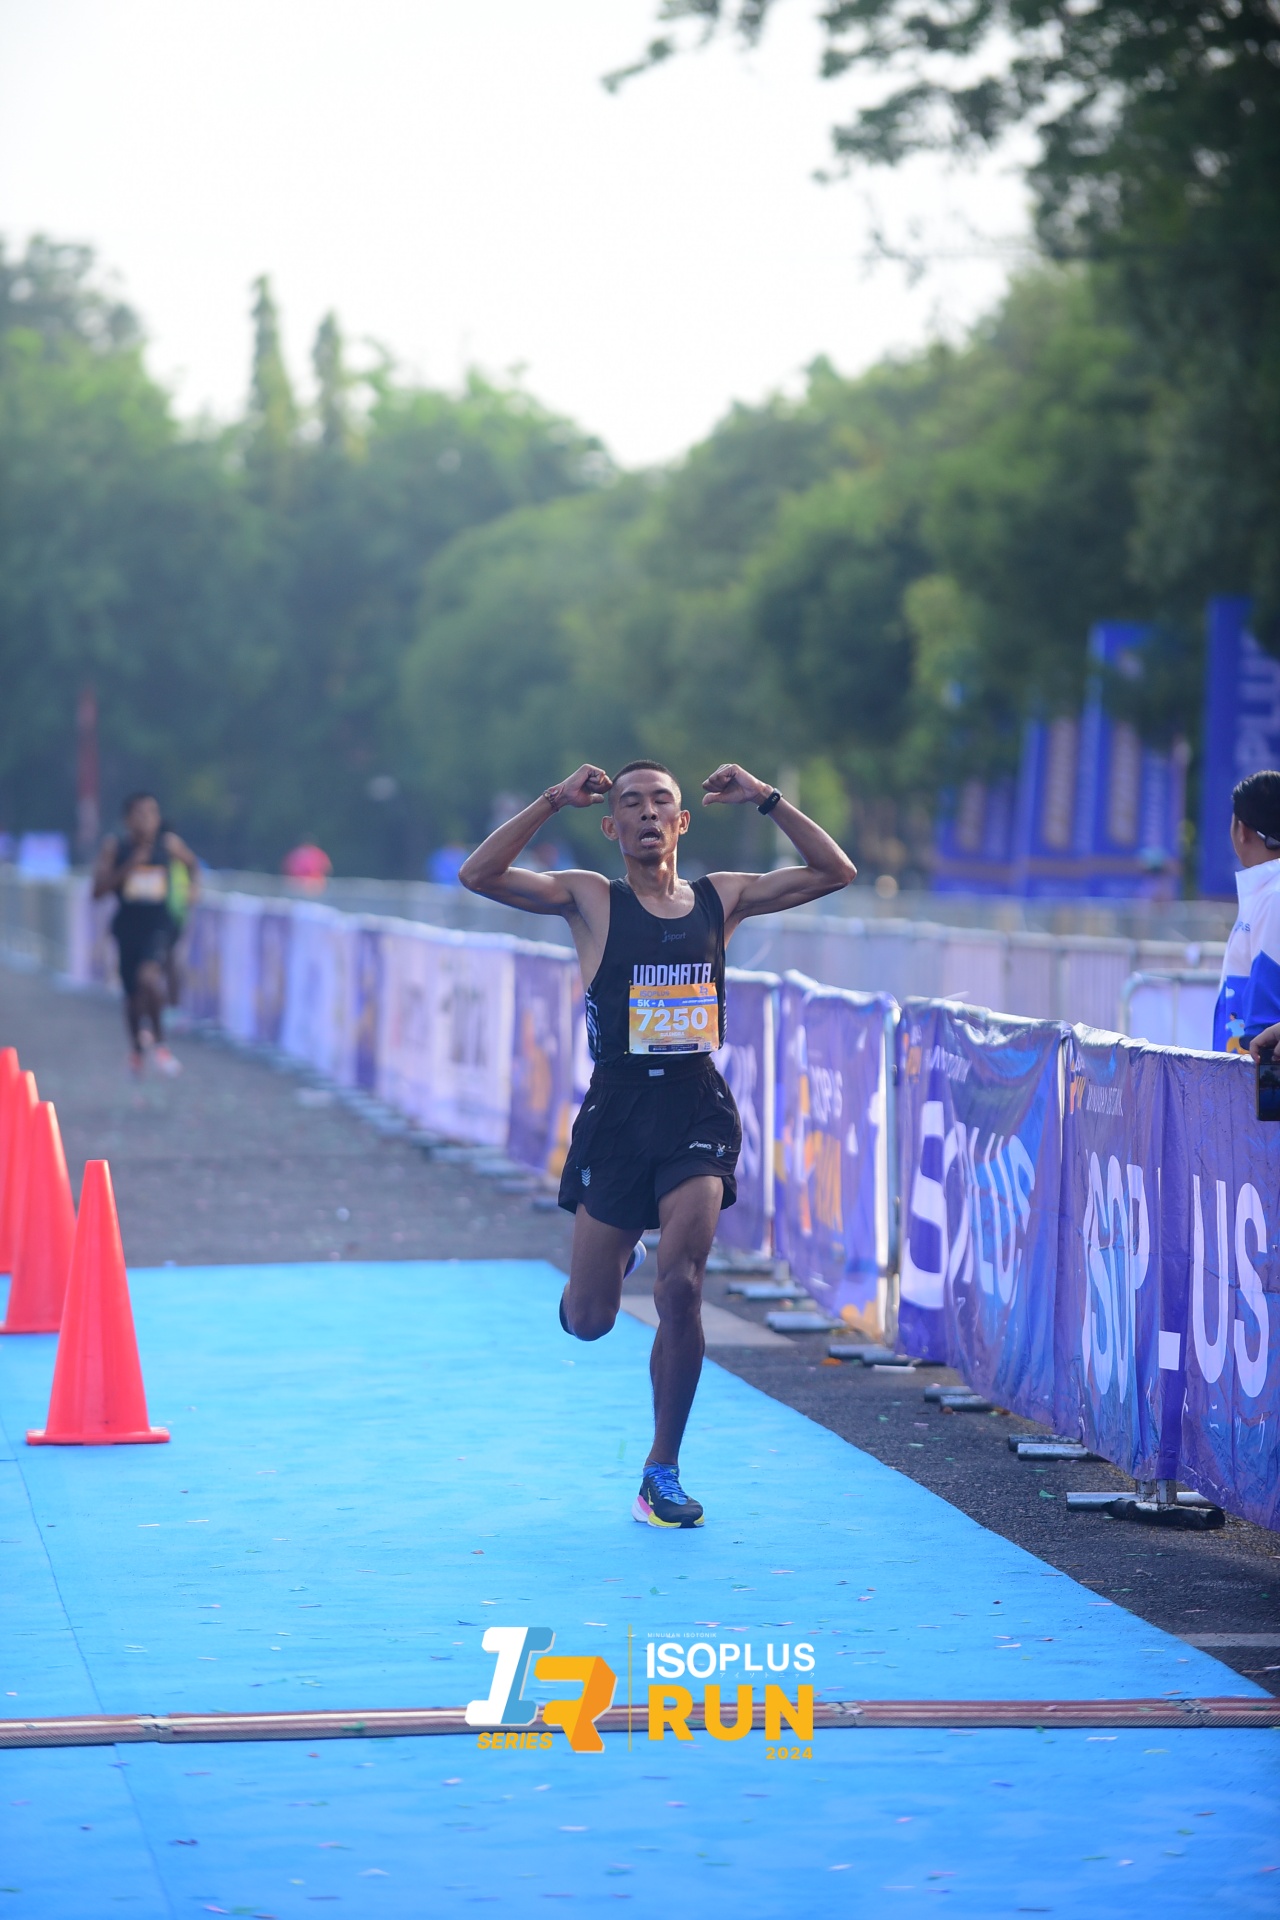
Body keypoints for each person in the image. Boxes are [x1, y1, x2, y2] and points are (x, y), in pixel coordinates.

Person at [460, 759, 855, 1527]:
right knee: (590, 1320)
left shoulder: (720, 898)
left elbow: (835, 871)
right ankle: (615, 1258)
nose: (646, 813)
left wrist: (766, 798)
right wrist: (551, 801)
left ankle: (661, 1471)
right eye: (630, 804)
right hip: (617, 1114)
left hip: (694, 1109)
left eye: (661, 803)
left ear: (682, 822)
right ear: (611, 827)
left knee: (683, 1287)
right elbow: (480, 876)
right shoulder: (589, 899)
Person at [93, 793, 199, 1076]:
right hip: (127, 927)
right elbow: (97, 891)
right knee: (132, 996)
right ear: (127, 820)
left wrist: (193, 890)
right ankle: (137, 1050)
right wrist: (130, 866)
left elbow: (192, 864)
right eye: (140, 814)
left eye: (153, 813)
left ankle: (160, 1044)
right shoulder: (115, 847)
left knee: (149, 979)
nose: (148, 820)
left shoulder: (168, 844)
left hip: (159, 926)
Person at [1209, 771, 1280, 1059]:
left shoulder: (1274, 896)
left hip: (1257, 1075)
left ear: (1241, 830)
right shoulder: (1267, 892)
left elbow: (1266, 1019)